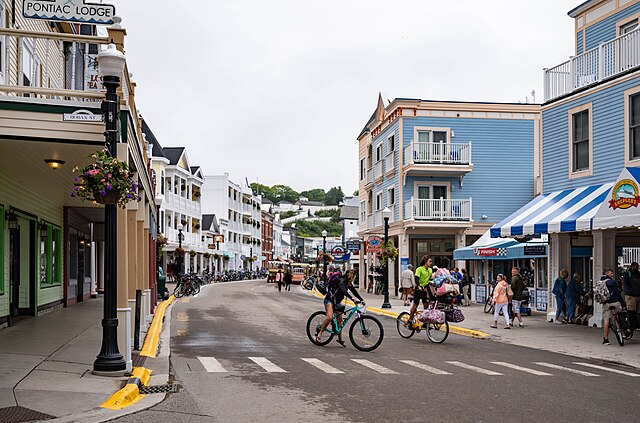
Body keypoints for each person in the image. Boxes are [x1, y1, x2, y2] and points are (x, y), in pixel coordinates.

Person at [316, 269, 364, 347]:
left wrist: (361, 300)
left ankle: (340, 339)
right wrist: (352, 298)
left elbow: (354, 291)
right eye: (352, 276)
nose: (352, 278)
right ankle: (320, 333)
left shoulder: (348, 283)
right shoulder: (341, 280)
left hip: (337, 302)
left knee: (340, 320)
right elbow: (343, 290)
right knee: (330, 317)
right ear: (348, 275)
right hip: (329, 300)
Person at [407, 256, 434, 325]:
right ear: (425, 262)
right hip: (419, 290)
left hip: (425, 290)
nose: (431, 262)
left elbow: (430, 279)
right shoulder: (419, 269)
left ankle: (424, 321)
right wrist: (419, 286)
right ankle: (410, 319)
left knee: (426, 305)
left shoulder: (430, 270)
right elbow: (416, 278)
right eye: (429, 261)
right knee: (415, 305)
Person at [601, 268, 625, 345]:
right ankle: (623, 332)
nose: (612, 274)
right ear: (607, 273)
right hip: (615, 302)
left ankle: (606, 339)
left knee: (606, 320)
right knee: (621, 315)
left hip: (606, 304)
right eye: (611, 273)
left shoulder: (600, 282)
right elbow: (617, 293)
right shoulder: (612, 282)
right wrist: (622, 302)